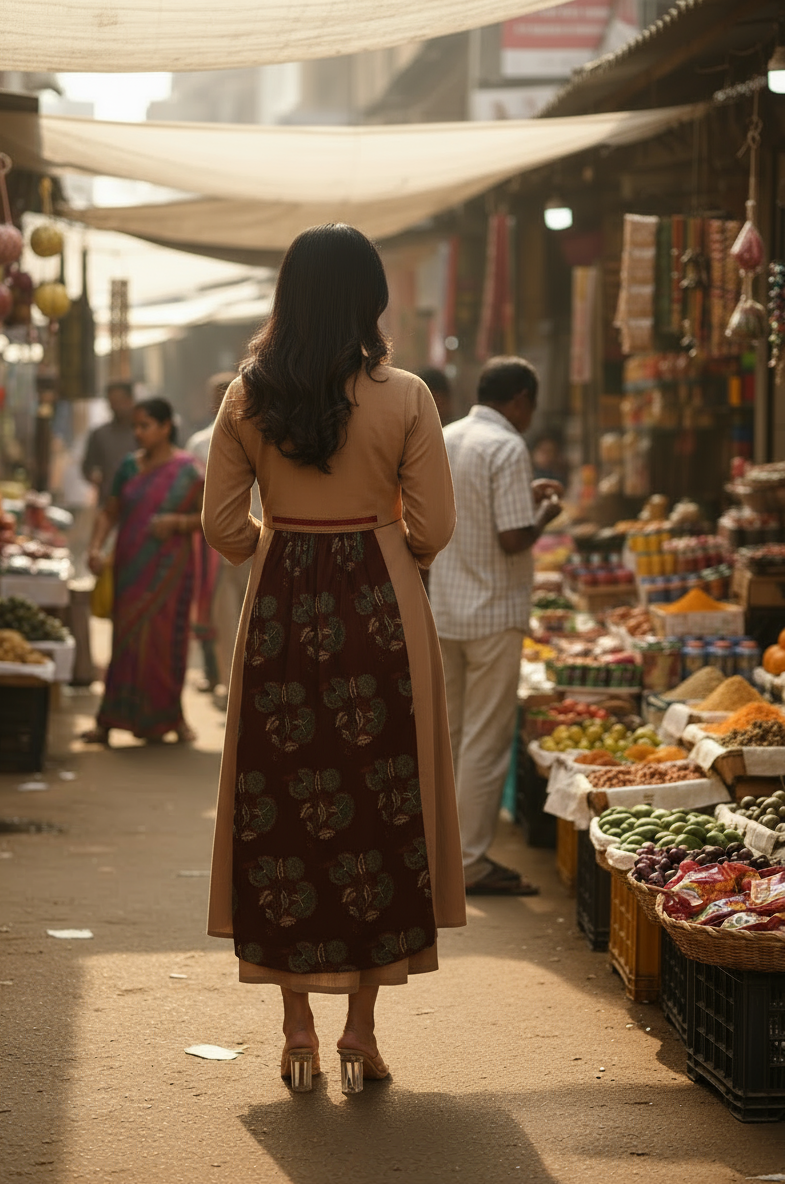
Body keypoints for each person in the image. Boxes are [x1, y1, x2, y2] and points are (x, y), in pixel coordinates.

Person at [202, 224, 465, 1094]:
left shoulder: (247, 394)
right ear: (370, 298)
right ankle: (361, 1028)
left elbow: (223, 528)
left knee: (278, 810)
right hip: (383, 609)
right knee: (379, 816)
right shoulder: (408, 397)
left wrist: (273, 547)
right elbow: (432, 530)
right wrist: (382, 539)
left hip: (280, 614)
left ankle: (297, 1031)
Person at [428, 357, 563, 897]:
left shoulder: (446, 437)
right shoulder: (507, 446)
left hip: (447, 607)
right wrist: (547, 512)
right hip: (492, 614)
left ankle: (441, 854)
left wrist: (523, 501)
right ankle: (470, 863)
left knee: (451, 736)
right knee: (485, 741)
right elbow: (512, 537)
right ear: (521, 399)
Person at [82, 398, 204, 745]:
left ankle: (170, 717)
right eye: (135, 426)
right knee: (125, 639)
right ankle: (109, 720)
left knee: (167, 642)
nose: (138, 433)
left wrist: (177, 522)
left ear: (166, 427)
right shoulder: (128, 468)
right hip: (130, 569)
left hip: (170, 572)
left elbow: (209, 519)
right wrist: (95, 547)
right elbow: (109, 512)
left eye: (145, 425)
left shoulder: (189, 471)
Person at [186, 372, 238, 693]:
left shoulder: (260, 434)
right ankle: (224, 679)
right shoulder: (200, 444)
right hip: (214, 541)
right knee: (219, 610)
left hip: (257, 535)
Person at [81, 381, 136, 506]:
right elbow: (87, 467)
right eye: (112, 402)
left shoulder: (142, 434)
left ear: (130, 400)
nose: (116, 406)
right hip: (108, 502)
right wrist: (95, 477)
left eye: (120, 401)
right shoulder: (100, 434)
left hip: (139, 502)